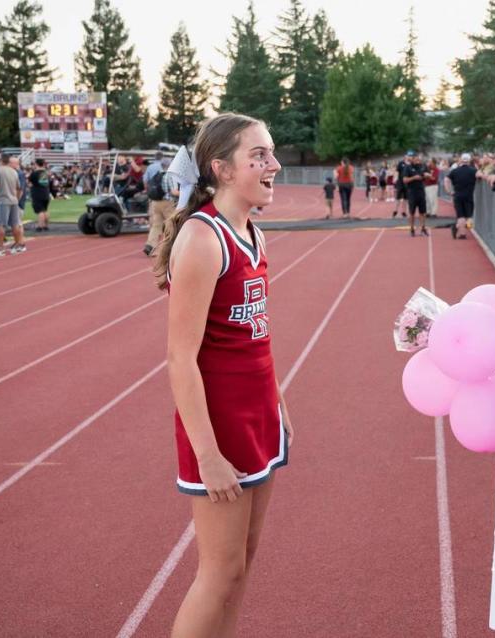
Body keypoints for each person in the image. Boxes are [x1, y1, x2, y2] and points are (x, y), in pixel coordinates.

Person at [153, 113, 294, 638]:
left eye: (271, 152)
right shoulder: (204, 238)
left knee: (240, 567)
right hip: (220, 428)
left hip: (258, 417)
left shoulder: (250, 229)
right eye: (258, 155)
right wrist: (208, 456)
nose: (273, 164)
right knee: (217, 573)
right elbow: (180, 358)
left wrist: (278, 406)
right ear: (222, 168)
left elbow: (255, 336)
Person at [0, 153, 24, 257]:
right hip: (13, 200)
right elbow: (19, 188)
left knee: (0, 224)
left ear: (0, 160)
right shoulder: (14, 171)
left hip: (2, 200)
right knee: (15, 224)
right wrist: (16, 198)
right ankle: (17, 246)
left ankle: (1, 248)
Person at [143, 154, 175, 256]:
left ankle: (150, 245)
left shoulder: (157, 175)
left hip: (155, 202)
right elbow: (173, 192)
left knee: (156, 225)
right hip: (167, 203)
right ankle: (170, 248)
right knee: (171, 225)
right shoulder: (169, 176)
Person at [446, 152, 477, 240]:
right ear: (469, 160)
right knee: (468, 216)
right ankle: (461, 232)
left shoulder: (455, 171)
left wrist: (449, 191)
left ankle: (459, 230)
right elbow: (479, 175)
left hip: (457, 195)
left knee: (460, 215)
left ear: (461, 160)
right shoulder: (473, 171)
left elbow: (446, 179)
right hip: (469, 196)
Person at [402, 151, 429, 236]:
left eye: (419, 160)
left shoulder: (422, 167)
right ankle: (412, 229)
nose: (418, 161)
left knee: (423, 212)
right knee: (412, 212)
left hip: (421, 191)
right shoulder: (408, 167)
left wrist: (427, 176)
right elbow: (405, 180)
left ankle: (422, 228)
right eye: (416, 160)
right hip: (412, 192)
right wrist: (414, 178)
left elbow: (427, 177)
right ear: (412, 160)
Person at [29, 158, 52, 232]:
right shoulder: (47, 173)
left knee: (40, 211)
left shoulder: (34, 173)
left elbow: (30, 183)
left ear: (36, 164)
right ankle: (46, 226)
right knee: (45, 210)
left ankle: (40, 226)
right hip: (46, 192)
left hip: (37, 193)